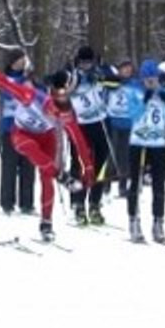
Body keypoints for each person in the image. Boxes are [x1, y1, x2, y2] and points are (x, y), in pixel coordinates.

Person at [0, 58, 95, 242]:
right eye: (55, 106)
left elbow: (79, 142)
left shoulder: (68, 114)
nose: (56, 112)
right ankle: (61, 176)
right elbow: (5, 83)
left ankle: (46, 223)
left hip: (46, 137)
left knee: (47, 179)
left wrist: (88, 168)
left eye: (65, 97)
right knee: (30, 148)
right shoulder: (32, 96)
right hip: (22, 133)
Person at [123, 60, 165, 243]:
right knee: (136, 182)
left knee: (159, 185)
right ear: (142, 79)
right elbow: (133, 114)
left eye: (153, 79)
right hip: (139, 142)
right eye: (147, 79)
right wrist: (145, 99)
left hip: (159, 143)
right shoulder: (134, 92)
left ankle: (158, 222)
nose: (151, 82)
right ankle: (133, 220)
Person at [66, 46, 115, 225]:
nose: (86, 66)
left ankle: (95, 203)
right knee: (80, 164)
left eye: (89, 62)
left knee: (100, 164)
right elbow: (61, 91)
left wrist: (101, 77)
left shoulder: (101, 72)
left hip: (100, 123)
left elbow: (116, 82)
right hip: (80, 126)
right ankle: (78, 204)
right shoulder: (72, 75)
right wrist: (76, 81)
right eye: (83, 62)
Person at [0, 49, 36, 216]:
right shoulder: (5, 79)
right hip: (10, 127)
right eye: (18, 60)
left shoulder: (29, 79)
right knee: (9, 165)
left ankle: (27, 202)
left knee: (28, 165)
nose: (21, 63)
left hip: (28, 127)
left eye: (23, 60)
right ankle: (7, 202)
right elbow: (3, 95)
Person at [105, 58, 136, 196]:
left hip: (128, 123)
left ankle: (123, 186)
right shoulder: (112, 81)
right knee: (110, 154)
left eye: (129, 68)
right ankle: (105, 185)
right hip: (113, 123)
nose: (127, 70)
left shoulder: (135, 84)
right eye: (124, 68)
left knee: (125, 156)